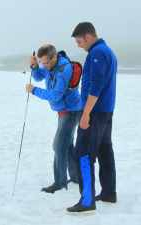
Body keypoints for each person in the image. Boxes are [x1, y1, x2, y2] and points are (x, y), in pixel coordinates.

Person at [67, 22, 117, 212]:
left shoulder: (98, 53)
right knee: (105, 151)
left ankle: (87, 200)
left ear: (87, 36)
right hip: (105, 111)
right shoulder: (107, 51)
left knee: (83, 153)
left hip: (95, 112)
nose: (79, 45)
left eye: (79, 41)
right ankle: (108, 192)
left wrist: (86, 113)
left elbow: (95, 88)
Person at [26, 44, 82, 193]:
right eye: (42, 62)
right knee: (67, 145)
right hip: (63, 111)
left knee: (58, 146)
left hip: (71, 111)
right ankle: (76, 177)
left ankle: (59, 182)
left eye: (46, 62)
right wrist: (34, 66)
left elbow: (55, 95)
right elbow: (38, 76)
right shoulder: (49, 66)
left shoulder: (63, 71)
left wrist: (34, 90)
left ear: (54, 56)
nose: (44, 65)